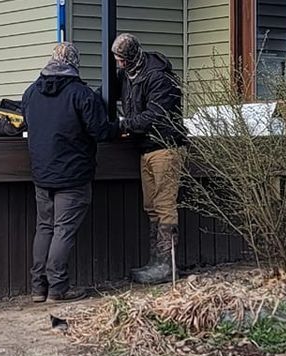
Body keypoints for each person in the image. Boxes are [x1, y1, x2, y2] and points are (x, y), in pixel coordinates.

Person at [22, 42, 113, 302]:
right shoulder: (81, 94)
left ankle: (38, 288)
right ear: (75, 63)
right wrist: (119, 127)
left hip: (41, 173)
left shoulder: (31, 93)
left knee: (44, 228)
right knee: (63, 230)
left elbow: (26, 124)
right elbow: (101, 131)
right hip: (73, 176)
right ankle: (58, 288)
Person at [112, 33, 187, 284]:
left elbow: (156, 116)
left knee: (164, 205)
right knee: (152, 206)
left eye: (122, 59)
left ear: (131, 56)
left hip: (165, 146)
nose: (119, 64)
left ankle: (167, 266)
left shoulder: (159, 77)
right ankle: (157, 263)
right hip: (145, 147)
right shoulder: (127, 75)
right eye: (117, 59)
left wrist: (123, 125)